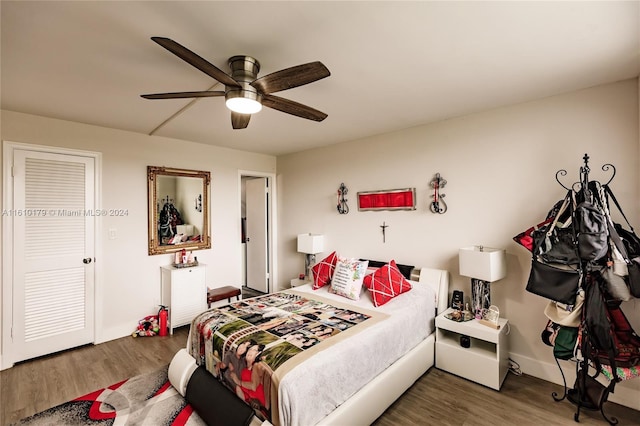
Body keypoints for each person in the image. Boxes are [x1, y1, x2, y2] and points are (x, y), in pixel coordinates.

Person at [232, 343, 271, 417]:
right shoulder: (244, 369)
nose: (250, 351)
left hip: (258, 405)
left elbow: (253, 386)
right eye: (250, 349)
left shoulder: (257, 366)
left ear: (258, 354)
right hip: (248, 404)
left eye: (254, 350)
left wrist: (238, 381)